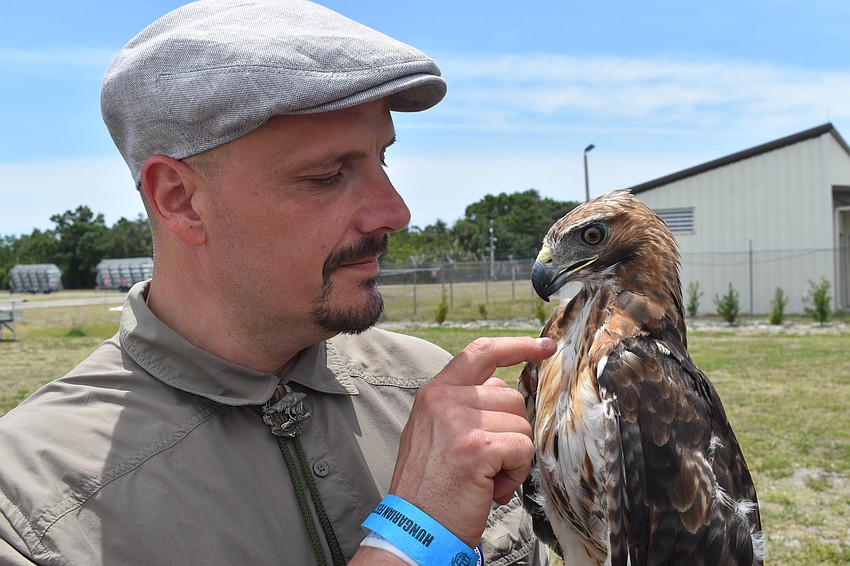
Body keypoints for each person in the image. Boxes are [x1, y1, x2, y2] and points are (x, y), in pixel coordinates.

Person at [0, 1, 556, 564]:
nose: (396, 211)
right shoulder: (32, 507)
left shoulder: (431, 388)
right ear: (180, 200)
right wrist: (417, 536)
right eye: (327, 175)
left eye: (383, 159)